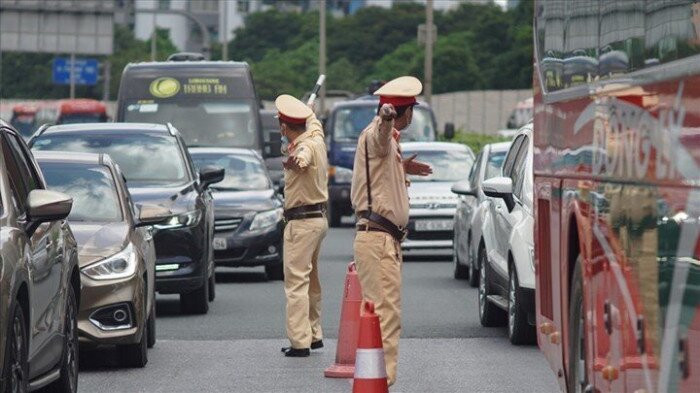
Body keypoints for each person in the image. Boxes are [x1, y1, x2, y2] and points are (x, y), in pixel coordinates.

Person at [350, 76, 432, 385]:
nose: (412, 116)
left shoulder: (390, 145)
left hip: (382, 240)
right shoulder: (378, 133)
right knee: (386, 315)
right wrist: (386, 118)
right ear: (405, 111)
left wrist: (402, 167)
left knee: (379, 313)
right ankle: (381, 383)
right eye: (411, 109)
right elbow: (380, 138)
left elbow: (382, 157)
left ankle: (376, 381)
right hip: (378, 239)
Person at [275, 94, 329, 358]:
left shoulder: (303, 148)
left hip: (302, 222)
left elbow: (302, 157)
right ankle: (314, 333)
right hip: (318, 220)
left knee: (296, 283)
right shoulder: (316, 137)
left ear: (285, 127)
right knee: (311, 281)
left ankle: (300, 342)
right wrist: (309, 112)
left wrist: (298, 161)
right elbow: (315, 125)